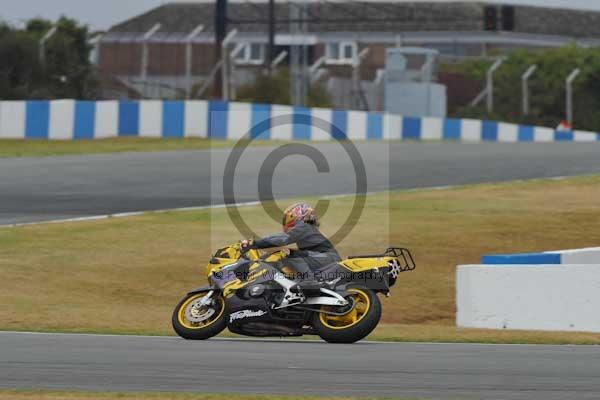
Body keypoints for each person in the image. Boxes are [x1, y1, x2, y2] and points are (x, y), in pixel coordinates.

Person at [242, 202, 341, 292]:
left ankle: (310, 282)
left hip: (328, 258)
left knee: (291, 254)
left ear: (298, 216)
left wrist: (255, 244)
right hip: (323, 258)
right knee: (283, 256)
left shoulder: (304, 227)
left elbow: (282, 239)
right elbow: (278, 237)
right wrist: (257, 245)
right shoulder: (307, 228)